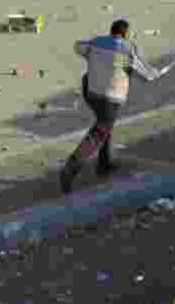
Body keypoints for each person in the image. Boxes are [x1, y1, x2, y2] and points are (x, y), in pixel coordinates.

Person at [61, 20, 164, 193]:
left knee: (104, 124)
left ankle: (104, 164)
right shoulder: (128, 49)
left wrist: (94, 58)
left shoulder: (95, 42)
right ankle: (70, 169)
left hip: (91, 93)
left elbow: (77, 47)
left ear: (111, 32)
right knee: (99, 132)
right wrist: (157, 73)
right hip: (110, 98)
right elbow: (147, 76)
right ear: (125, 34)